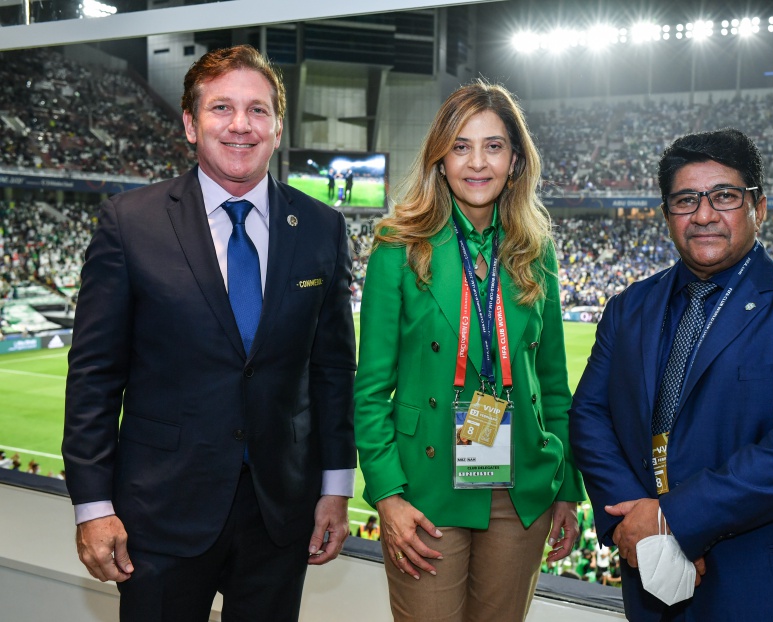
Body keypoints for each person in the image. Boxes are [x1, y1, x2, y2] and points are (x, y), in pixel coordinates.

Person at [62, 44, 356, 621]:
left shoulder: (322, 227)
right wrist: (92, 506)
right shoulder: (130, 223)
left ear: (277, 127)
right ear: (191, 124)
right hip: (160, 511)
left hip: (280, 512)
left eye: (258, 110)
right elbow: (95, 374)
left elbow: (331, 372)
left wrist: (336, 487)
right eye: (222, 108)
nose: (241, 125)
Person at [569, 128, 773, 621]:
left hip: (771, 589)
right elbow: (590, 415)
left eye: (724, 196)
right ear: (666, 215)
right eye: (686, 200)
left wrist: (674, 519)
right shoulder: (629, 308)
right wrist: (636, 522)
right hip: (654, 579)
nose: (704, 214)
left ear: (759, 207)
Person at [354, 80, 585, 622]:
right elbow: (369, 391)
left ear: (515, 160)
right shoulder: (398, 244)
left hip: (520, 485)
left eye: (494, 145)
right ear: (439, 157)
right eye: (461, 146)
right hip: (425, 484)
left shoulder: (536, 248)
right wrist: (387, 495)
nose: (477, 162)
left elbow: (553, 382)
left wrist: (567, 489)